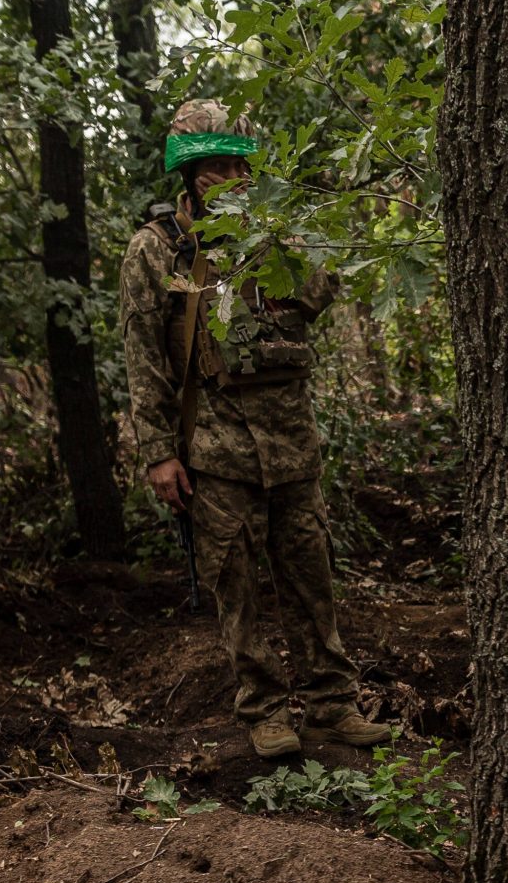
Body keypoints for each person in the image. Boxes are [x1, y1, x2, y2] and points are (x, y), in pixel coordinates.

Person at [119, 99, 387, 760]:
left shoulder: (277, 231)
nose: (224, 177)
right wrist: (157, 454)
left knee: (312, 581)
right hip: (215, 448)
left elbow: (323, 290)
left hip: (292, 443)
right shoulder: (156, 250)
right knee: (235, 588)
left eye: (234, 164)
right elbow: (143, 358)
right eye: (211, 166)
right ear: (188, 173)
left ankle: (332, 706)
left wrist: (268, 233)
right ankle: (264, 709)